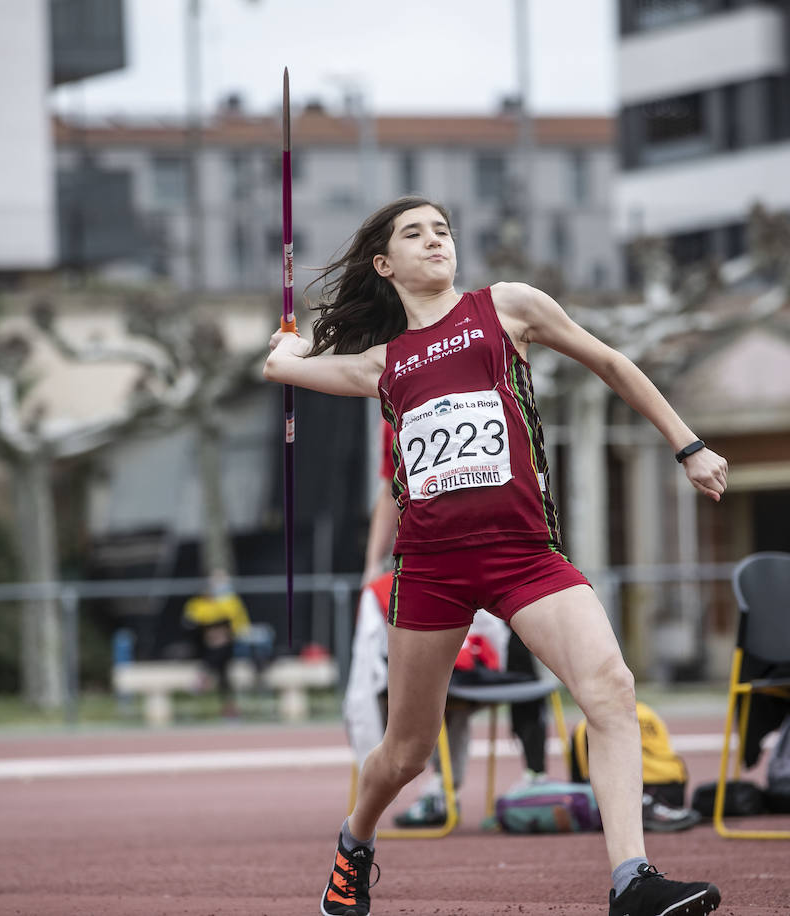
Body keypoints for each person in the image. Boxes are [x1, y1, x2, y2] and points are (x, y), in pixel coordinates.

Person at [264, 196, 726, 916]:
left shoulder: (505, 307)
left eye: (442, 230)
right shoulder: (383, 363)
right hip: (431, 570)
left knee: (611, 688)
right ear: (385, 265)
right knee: (406, 754)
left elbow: (608, 360)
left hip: (523, 554)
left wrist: (687, 444)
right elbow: (284, 369)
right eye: (414, 235)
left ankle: (631, 878)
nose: (434, 242)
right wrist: (285, 346)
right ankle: (355, 843)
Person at [364, 418, 553, 809]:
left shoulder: (493, 373)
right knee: (429, 685)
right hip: (434, 563)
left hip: (503, 550)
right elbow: (388, 488)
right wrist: (372, 565)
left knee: (523, 659)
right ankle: (423, 790)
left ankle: (536, 772)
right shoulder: (392, 406)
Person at [345, 570, 510, 827]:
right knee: (408, 752)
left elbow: (493, 633)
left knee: (451, 704)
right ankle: (377, 811)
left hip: (456, 675)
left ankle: (443, 790)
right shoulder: (380, 591)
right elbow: (367, 664)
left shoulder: (462, 574)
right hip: (409, 679)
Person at [182, 569, 250, 718]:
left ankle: (204, 673)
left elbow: (239, 624)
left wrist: (222, 632)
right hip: (204, 645)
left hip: (229, 644)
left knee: (221, 654)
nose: (219, 586)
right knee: (222, 664)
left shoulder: (230, 600)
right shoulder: (198, 602)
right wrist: (211, 631)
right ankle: (229, 707)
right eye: (216, 582)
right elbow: (191, 622)